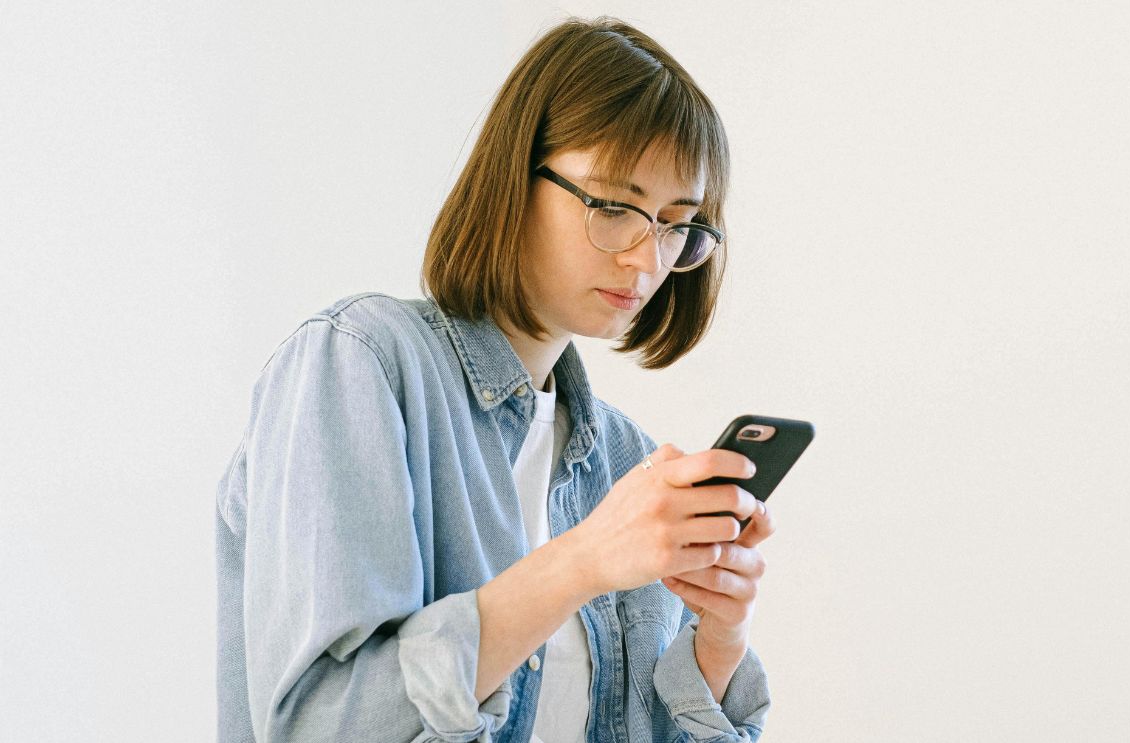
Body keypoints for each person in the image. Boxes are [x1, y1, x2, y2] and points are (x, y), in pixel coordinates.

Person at [215, 15, 776, 743]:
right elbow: (321, 726)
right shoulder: (359, 363)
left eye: (676, 224)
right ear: (517, 175)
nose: (647, 260)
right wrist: (580, 561)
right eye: (614, 206)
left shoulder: (624, 462)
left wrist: (719, 644)